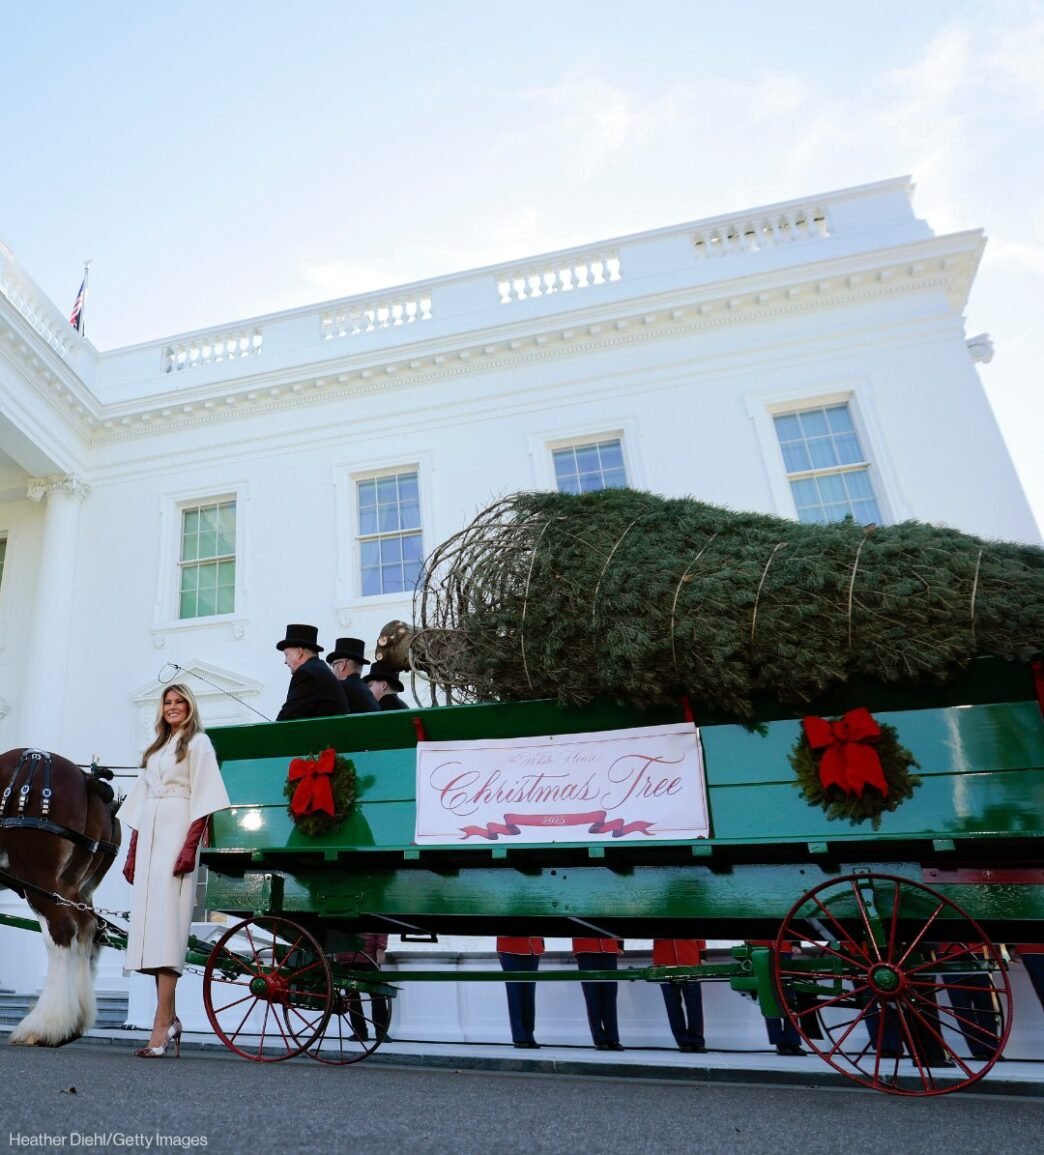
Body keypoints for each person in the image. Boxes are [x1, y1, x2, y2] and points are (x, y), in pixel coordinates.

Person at [118, 683, 231, 1058]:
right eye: (167, 702)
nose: (173, 707)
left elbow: (205, 800)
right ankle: (170, 1017)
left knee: (167, 932)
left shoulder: (199, 744)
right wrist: (132, 852)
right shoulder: (155, 750)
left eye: (179, 702)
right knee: (149, 934)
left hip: (176, 834)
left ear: (190, 706)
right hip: (150, 837)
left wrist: (189, 846)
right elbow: (138, 802)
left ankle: (161, 1025)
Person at [276, 624, 348, 720]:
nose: (285, 661)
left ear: (299, 652)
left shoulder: (306, 674)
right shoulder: (319, 669)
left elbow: (287, 717)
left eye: (287, 654)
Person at [653, 939, 706, 1053]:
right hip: (665, 962)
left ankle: (697, 1040)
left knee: (694, 1004)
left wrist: (702, 954)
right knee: (672, 1005)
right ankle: (683, 1041)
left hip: (690, 959)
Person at [572, 938, 623, 1051]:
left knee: (610, 995)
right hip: (585, 949)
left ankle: (612, 1038)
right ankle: (599, 1038)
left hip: (609, 947)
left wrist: (620, 945)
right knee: (592, 996)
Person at [497, 937, 544, 1048]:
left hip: (533, 946)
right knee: (514, 993)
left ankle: (529, 1034)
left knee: (529, 994)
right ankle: (519, 1036)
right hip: (510, 946)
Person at [326, 636, 381, 713]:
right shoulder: (366, 690)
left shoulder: (340, 688)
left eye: (333, 665)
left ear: (342, 665)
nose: (333, 670)